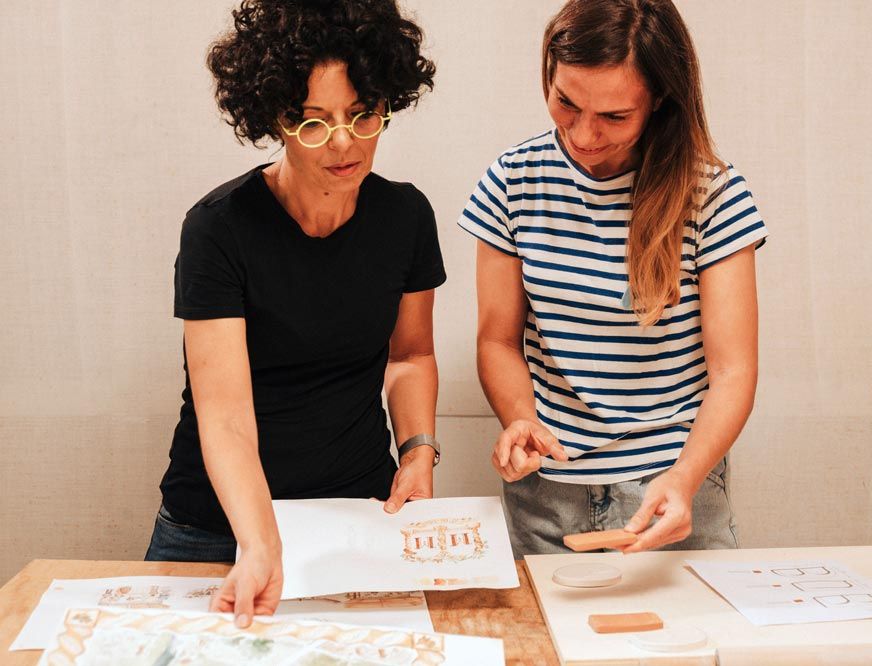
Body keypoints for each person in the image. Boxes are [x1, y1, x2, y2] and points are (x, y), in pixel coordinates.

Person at [146, 0, 444, 627]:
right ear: (273, 120)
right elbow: (224, 416)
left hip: (356, 515)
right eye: (312, 123)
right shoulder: (219, 229)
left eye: (363, 116)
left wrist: (418, 448)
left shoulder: (406, 218)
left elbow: (410, 355)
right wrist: (260, 542)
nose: (344, 143)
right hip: (217, 529)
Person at [459, 0, 768, 557]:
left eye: (615, 117)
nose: (583, 134)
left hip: (672, 488)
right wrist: (520, 421)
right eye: (566, 103)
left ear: (660, 101)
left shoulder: (713, 195)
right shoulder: (512, 181)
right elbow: (497, 340)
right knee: (551, 645)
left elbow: (733, 373)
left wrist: (684, 480)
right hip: (548, 491)